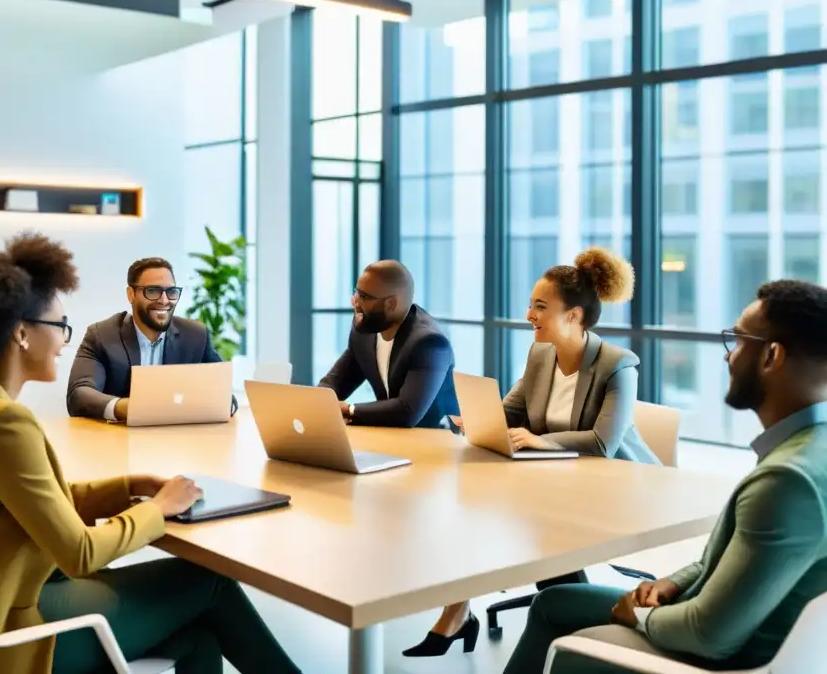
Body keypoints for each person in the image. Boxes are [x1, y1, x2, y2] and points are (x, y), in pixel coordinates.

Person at [0, 233, 300, 674]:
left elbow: (43, 502)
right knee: (211, 583)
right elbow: (80, 553)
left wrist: (130, 487)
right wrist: (157, 509)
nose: (63, 340)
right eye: (58, 326)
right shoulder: (3, 424)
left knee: (198, 638)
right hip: (12, 629)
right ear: (21, 333)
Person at [502, 279, 827, 673]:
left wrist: (636, 617)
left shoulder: (788, 481)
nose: (728, 357)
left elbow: (708, 634)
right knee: (554, 602)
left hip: (726, 655)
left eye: (738, 341)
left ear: (771, 356)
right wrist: (673, 580)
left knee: (569, 630)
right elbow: (730, 558)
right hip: (728, 618)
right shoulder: (809, 448)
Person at [404, 246, 658, 658]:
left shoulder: (617, 365)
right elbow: (512, 411)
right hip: (553, 483)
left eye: (540, 306)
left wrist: (543, 440)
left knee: (521, 522)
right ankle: (471, 610)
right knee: (474, 503)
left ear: (573, 315)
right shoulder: (541, 355)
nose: (529, 315)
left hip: (616, 490)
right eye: (530, 305)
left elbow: (601, 443)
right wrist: (482, 418)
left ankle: (568, 622)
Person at [66, 256, 234, 422]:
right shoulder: (102, 336)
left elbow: (226, 397)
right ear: (131, 294)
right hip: (119, 441)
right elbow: (79, 394)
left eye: (171, 292)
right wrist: (131, 408)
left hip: (179, 441)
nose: (164, 300)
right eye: (152, 291)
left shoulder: (196, 336)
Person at [318, 260, 459, 429]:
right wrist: (317, 401)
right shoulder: (365, 332)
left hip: (434, 440)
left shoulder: (429, 343)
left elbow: (407, 411)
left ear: (391, 304)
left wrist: (350, 410)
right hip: (389, 436)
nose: (354, 302)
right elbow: (334, 383)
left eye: (364, 297)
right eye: (356, 293)